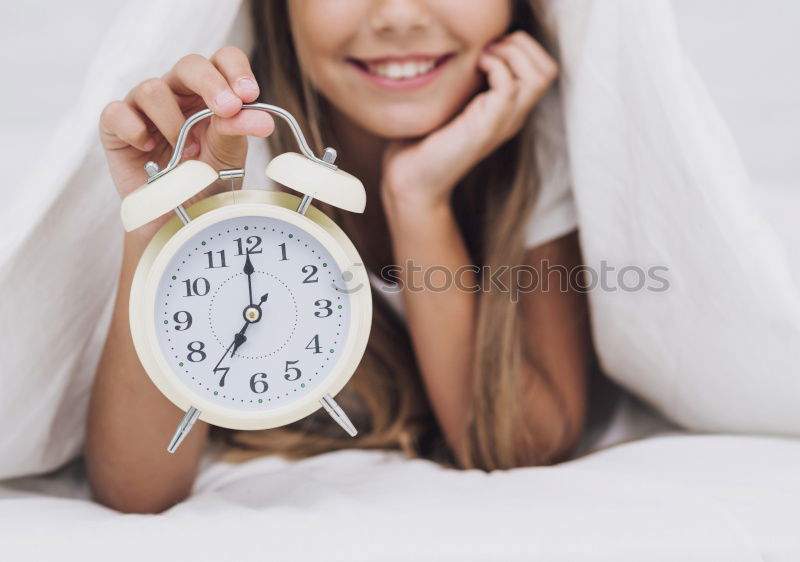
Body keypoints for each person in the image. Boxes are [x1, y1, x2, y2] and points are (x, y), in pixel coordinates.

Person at [87, 0, 592, 514]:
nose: (399, 17)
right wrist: (171, 231)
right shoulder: (226, 144)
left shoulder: (535, 137)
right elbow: (137, 490)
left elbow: (525, 444)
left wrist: (418, 200)